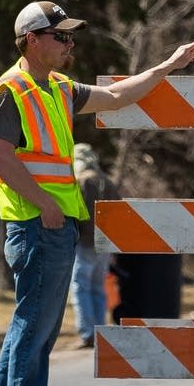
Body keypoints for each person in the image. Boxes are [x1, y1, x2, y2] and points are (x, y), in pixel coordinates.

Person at [0, 0, 194, 386]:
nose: (69, 43)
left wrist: (167, 65)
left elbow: (119, 97)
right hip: (37, 225)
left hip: (51, 226)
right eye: (60, 36)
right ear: (32, 40)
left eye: (69, 36)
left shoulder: (58, 88)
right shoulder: (13, 89)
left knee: (30, 327)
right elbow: (0, 158)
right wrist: (44, 206)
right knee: (33, 330)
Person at [70, 146, 120, 348]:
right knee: (98, 287)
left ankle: (87, 333)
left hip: (85, 243)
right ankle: (100, 332)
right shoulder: (108, 182)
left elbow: (74, 212)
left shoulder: (81, 181)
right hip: (105, 244)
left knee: (81, 287)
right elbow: (120, 212)